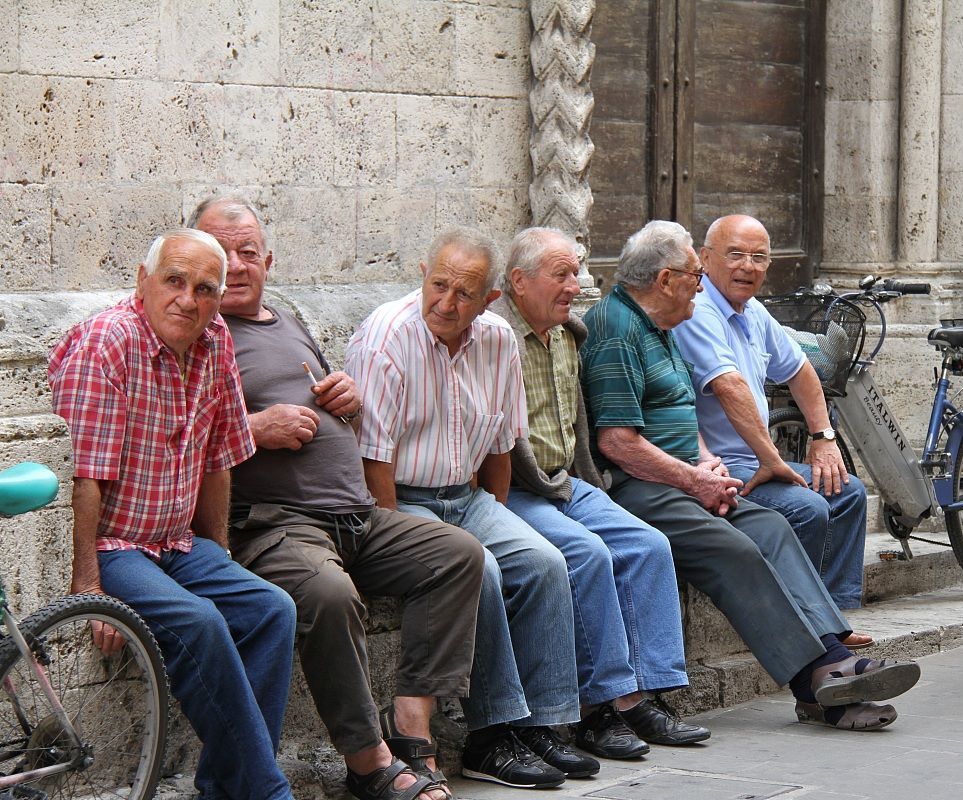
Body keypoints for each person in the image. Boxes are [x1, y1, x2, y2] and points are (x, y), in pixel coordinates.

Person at [190, 198, 485, 800]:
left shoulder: (286, 318)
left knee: (457, 553)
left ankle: (410, 727)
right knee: (327, 593)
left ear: (268, 260)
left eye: (248, 252)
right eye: (222, 254)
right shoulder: (198, 332)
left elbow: (333, 408)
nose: (237, 265)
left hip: (354, 517)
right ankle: (367, 761)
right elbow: (178, 436)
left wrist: (345, 397)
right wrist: (254, 429)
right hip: (275, 526)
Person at [580, 220, 920, 732]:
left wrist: (701, 460)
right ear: (666, 279)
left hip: (686, 475)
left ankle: (830, 653)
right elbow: (618, 443)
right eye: (698, 274)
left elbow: (677, 412)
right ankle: (818, 684)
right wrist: (695, 479)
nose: (702, 286)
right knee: (737, 546)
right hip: (641, 484)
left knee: (768, 527)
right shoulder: (617, 330)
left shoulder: (663, 323)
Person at [48, 229, 297, 800]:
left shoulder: (215, 343)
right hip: (116, 545)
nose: (189, 299)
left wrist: (223, 556)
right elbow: (88, 477)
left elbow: (218, 459)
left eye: (205, 289)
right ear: (143, 281)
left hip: (177, 543)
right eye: (174, 282)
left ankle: (226, 787)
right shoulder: (108, 342)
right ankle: (265, 791)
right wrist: (88, 590)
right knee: (202, 623)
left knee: (271, 609)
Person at [345, 228, 592, 789]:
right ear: (422, 273)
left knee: (544, 560)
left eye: (464, 294)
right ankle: (492, 733)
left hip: (468, 495)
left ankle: (544, 727)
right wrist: (397, 539)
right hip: (401, 500)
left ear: (490, 299)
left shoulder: (498, 340)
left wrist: (495, 513)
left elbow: (502, 445)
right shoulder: (387, 339)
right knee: (479, 566)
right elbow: (373, 464)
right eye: (438, 285)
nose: (447, 304)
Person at [494, 227, 710, 760]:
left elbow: (578, 423)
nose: (577, 285)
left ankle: (646, 695)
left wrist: (586, 483)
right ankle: (603, 707)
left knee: (647, 544)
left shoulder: (570, 333)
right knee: (588, 555)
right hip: (519, 488)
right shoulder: (495, 335)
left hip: (567, 481)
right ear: (518, 282)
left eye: (577, 272)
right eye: (562, 274)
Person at [673, 215, 870, 617]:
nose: (748, 266)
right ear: (705, 259)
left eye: (759, 257)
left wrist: (823, 438)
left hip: (751, 462)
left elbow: (800, 371)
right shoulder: (699, 311)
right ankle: (798, 619)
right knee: (807, 507)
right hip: (719, 468)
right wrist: (771, 459)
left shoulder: (752, 311)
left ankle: (832, 615)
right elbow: (729, 386)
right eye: (736, 255)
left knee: (848, 493)